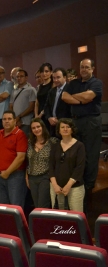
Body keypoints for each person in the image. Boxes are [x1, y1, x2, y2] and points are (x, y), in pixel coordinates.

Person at [62, 58, 103, 212]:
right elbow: (65, 97)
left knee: (91, 156)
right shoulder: (73, 83)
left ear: (92, 68)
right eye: (82, 67)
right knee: (76, 154)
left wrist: (78, 97)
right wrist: (81, 100)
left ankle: (89, 188)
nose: (84, 70)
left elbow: (88, 97)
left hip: (91, 122)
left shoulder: (97, 83)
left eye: (87, 67)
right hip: (76, 122)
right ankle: (77, 184)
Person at [0, 111, 28, 209]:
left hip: (15, 176)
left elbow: (21, 157)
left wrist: (7, 172)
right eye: (4, 119)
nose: (6, 121)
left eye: (9, 119)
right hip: (0, 176)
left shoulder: (20, 134)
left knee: (15, 208)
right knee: (1, 208)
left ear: (15, 121)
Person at [49, 118, 85, 212]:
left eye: (68, 127)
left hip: (74, 187)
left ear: (72, 129)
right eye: (62, 127)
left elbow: (80, 167)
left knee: (75, 217)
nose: (65, 129)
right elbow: (51, 166)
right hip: (56, 187)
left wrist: (68, 185)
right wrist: (54, 185)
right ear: (59, 130)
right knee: (59, 217)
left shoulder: (79, 146)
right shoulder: (55, 146)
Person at [26, 118, 57, 208]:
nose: (36, 129)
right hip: (32, 177)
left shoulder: (52, 141)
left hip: (45, 177)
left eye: (38, 127)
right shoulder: (29, 142)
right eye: (33, 128)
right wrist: (26, 177)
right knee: (36, 205)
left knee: (42, 205)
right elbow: (28, 161)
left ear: (43, 127)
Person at [9, 69, 37, 137]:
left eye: (21, 76)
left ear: (26, 78)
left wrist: (19, 117)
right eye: (17, 77)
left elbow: (31, 107)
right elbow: (10, 106)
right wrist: (15, 119)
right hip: (15, 123)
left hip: (26, 123)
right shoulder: (14, 91)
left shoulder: (31, 90)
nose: (19, 78)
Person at [44, 68, 71, 136]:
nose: (56, 80)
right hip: (53, 126)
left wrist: (59, 120)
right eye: (54, 78)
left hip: (66, 125)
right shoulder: (51, 91)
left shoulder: (70, 89)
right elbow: (46, 107)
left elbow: (70, 109)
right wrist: (49, 118)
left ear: (64, 77)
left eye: (58, 77)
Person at [35, 62, 53, 128]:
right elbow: (37, 102)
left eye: (46, 71)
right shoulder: (40, 86)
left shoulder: (53, 85)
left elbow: (49, 102)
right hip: (39, 116)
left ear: (51, 72)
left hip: (48, 115)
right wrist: (36, 114)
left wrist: (41, 114)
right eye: (42, 71)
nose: (44, 74)